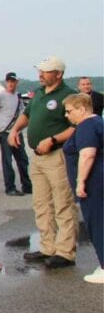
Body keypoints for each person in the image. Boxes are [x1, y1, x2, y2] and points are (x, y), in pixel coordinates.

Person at [8, 57, 78, 268]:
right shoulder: (39, 93)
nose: (41, 74)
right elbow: (27, 115)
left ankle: (65, 252)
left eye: (46, 71)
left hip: (57, 155)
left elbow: (75, 126)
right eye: (40, 70)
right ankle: (48, 246)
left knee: (63, 203)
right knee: (41, 204)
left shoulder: (68, 95)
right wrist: (14, 130)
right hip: (37, 157)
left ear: (59, 74)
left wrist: (53, 139)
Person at [62, 94, 104, 283]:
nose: (67, 115)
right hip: (98, 181)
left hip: (94, 183)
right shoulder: (98, 122)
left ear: (82, 109)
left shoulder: (86, 126)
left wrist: (80, 182)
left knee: (97, 224)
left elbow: (87, 154)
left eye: (69, 111)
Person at [0, 72, 32, 196]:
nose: (10, 84)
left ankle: (27, 185)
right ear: (6, 82)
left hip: (17, 133)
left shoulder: (18, 96)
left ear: (17, 82)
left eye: (13, 81)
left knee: (23, 160)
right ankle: (10, 187)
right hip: (5, 133)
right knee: (7, 161)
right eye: (9, 81)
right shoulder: (0, 95)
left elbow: (23, 114)